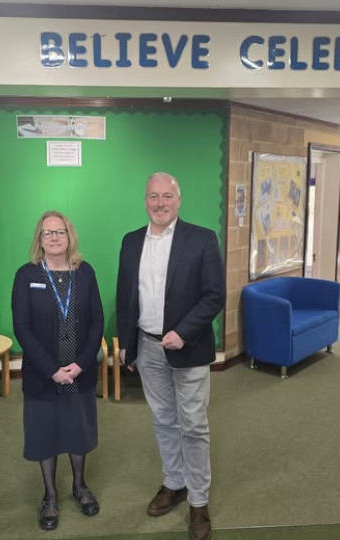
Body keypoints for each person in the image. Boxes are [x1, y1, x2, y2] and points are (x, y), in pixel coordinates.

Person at [116, 172, 225, 540]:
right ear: (145, 200)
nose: (160, 203)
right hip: (147, 348)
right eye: (153, 196)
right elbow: (125, 298)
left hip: (189, 348)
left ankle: (198, 501)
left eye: (167, 196)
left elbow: (214, 295)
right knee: (163, 420)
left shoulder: (202, 239)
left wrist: (183, 331)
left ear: (178, 200)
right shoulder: (131, 242)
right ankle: (174, 483)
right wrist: (128, 346)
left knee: (193, 425)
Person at [11, 211, 104, 531]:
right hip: (43, 374)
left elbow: (97, 322)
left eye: (59, 232)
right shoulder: (26, 275)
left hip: (79, 372)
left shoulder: (85, 272)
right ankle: (50, 496)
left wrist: (81, 363)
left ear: (70, 236)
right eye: (47, 233)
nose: (53, 237)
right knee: (45, 435)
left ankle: (80, 486)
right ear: (39, 239)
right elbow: (22, 329)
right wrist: (52, 369)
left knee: (78, 431)